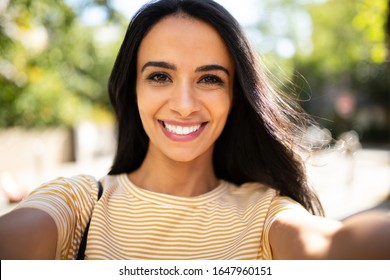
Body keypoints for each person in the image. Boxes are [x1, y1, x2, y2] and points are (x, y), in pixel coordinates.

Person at [0, 0, 389, 260]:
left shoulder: (265, 214)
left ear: (235, 95)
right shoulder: (78, 203)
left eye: (210, 80)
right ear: (131, 88)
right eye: (159, 76)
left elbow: (332, 247)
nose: (184, 104)